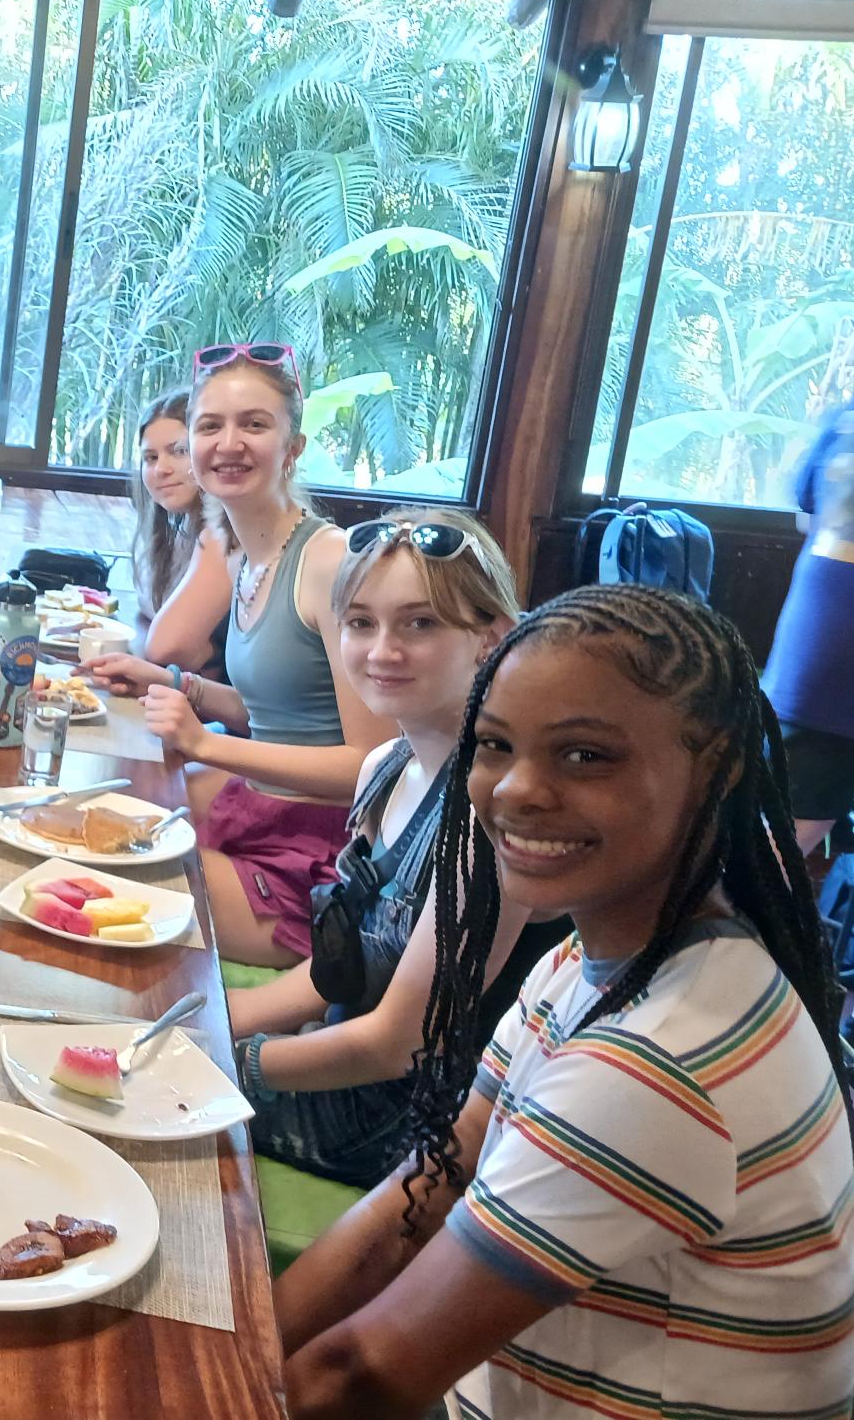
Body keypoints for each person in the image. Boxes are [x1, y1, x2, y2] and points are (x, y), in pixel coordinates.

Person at [275, 585, 853, 1419]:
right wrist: (245, 1344)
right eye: (495, 744)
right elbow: (428, 1183)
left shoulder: (657, 1067)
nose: (516, 790)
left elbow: (367, 1375)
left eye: (586, 755)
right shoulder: (594, 959)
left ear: (720, 767)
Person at [228, 508, 562, 1186]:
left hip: (403, 1127)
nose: (382, 650)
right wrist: (211, 1015)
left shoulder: (489, 815)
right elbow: (338, 972)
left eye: (421, 623)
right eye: (360, 622)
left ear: (491, 638)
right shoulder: (386, 764)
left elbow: (398, 1045)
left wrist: (229, 1060)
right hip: (334, 1063)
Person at [84, 344, 395, 967]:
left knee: (109, 890)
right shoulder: (244, 552)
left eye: (254, 424)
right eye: (210, 426)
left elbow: (376, 767)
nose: (229, 443)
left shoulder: (326, 561)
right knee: (94, 825)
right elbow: (278, 715)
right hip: (258, 807)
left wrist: (205, 744)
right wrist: (174, 683)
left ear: (293, 447)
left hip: (315, 856)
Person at [761, 390, 854, 856]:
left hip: (809, 651)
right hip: (838, 685)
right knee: (772, 858)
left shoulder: (845, 419)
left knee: (769, 843)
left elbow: (807, 518)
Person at [127, 387, 230, 677]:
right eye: (150, 458)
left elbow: (167, 649)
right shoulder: (181, 523)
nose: (161, 469)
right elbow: (148, 598)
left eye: (179, 451)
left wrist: (211, 652)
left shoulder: (227, 530)